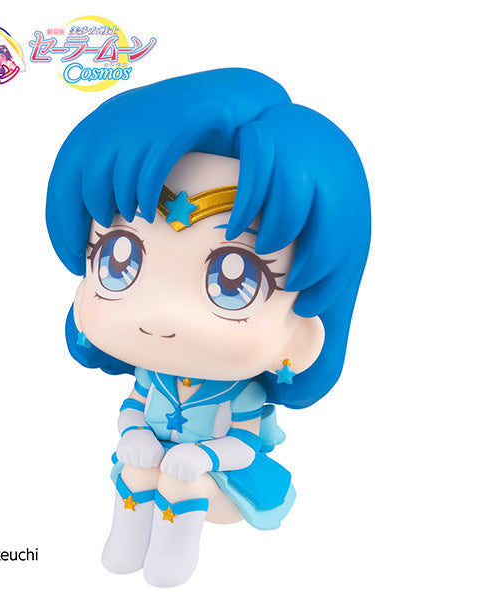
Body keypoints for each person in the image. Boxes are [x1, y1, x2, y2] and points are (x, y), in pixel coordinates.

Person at [46, 68, 371, 587]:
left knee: (181, 483)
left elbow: (241, 443)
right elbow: (134, 407)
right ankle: (127, 541)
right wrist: (134, 433)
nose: (161, 314)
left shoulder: (239, 393)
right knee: (137, 471)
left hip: (222, 478)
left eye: (235, 280)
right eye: (116, 260)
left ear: (302, 328)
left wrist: (201, 455)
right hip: (158, 462)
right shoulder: (153, 376)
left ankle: (173, 557)